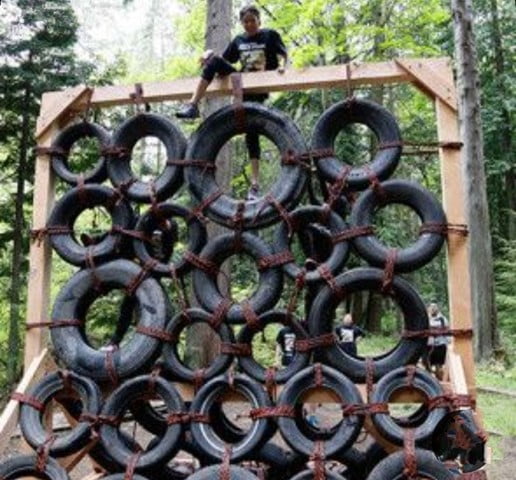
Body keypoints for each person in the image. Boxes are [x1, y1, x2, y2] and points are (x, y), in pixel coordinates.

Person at [176, 5, 288, 199]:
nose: (249, 24)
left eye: (253, 20)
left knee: (251, 135)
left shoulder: (270, 35)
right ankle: (193, 105)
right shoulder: (239, 40)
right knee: (212, 61)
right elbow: (224, 60)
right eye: (245, 21)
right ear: (242, 23)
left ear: (259, 20)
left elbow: (284, 54)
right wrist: (208, 56)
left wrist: (283, 69)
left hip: (260, 88)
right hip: (243, 84)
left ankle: (254, 185)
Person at [424, 302, 450, 379]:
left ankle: (440, 380)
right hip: (428, 345)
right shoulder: (426, 319)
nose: (433, 309)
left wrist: (448, 342)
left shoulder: (443, 319)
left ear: (437, 309)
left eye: (434, 308)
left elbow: (447, 331)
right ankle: (429, 379)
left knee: (438, 365)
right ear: (429, 309)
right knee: (427, 365)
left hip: (440, 345)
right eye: (431, 308)